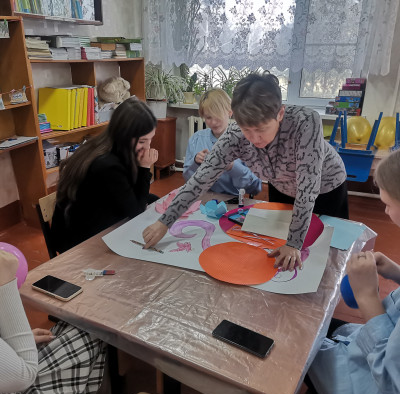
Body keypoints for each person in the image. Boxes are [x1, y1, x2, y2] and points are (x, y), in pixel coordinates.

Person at [142, 72, 348, 271]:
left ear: (280, 114)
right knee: (277, 245)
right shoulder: (234, 135)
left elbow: (307, 187)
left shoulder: (305, 122)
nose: (254, 138)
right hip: (281, 186)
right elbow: (200, 180)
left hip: (325, 187)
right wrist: (164, 222)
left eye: (261, 129)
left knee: (325, 252)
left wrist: (294, 243)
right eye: (247, 130)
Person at [307, 149, 400, 394]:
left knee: (297, 345)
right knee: (315, 326)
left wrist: (367, 297)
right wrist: (395, 271)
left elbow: (391, 381)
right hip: (369, 342)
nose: (385, 212)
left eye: (388, 205)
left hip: (366, 384)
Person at [52, 97, 159, 253]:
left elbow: (128, 193)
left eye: (150, 139)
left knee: (155, 202)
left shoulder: (108, 146)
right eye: (142, 141)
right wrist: (144, 167)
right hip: (79, 243)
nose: (148, 147)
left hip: (94, 221)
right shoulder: (108, 165)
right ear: (124, 135)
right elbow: (136, 211)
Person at [0, 250, 106, 394]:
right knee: (93, 330)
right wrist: (5, 285)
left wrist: (12, 341)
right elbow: (25, 377)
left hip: (12, 378)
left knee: (75, 326)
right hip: (17, 386)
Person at [183, 88, 261, 196]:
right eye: (208, 117)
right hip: (202, 198)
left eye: (218, 116)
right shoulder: (196, 139)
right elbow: (188, 179)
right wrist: (195, 163)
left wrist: (233, 167)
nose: (213, 122)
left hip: (232, 200)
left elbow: (255, 187)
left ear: (230, 112)